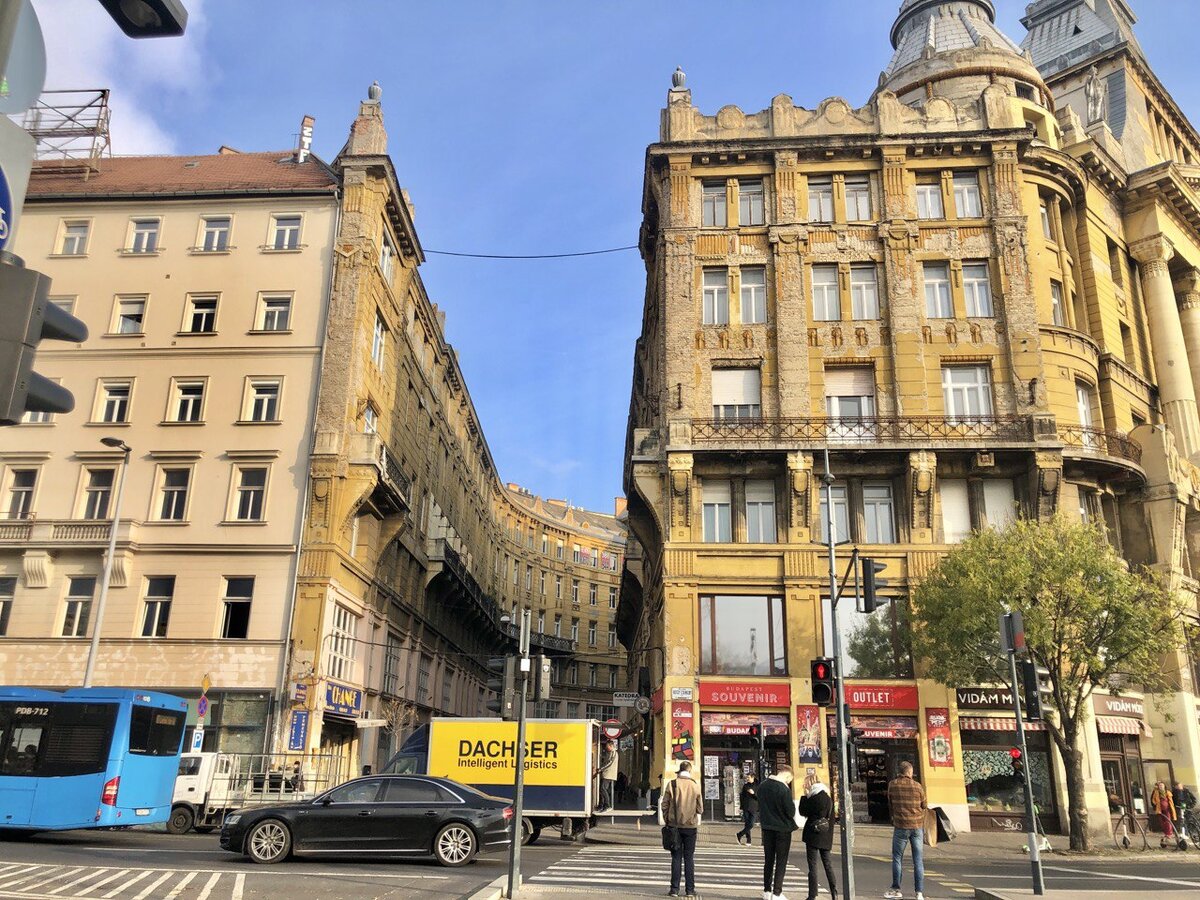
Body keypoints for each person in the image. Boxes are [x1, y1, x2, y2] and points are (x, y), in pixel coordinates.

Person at [885, 761, 927, 900]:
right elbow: (924, 805)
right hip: (917, 826)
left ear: (900, 771)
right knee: (918, 860)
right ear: (909, 772)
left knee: (897, 858)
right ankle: (919, 892)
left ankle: (896, 889)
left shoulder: (892, 785)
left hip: (901, 826)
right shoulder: (918, 786)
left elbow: (890, 803)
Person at [660, 761, 703, 899]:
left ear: (680, 770)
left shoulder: (672, 784)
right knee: (689, 858)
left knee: (676, 858)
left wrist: (668, 818)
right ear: (689, 771)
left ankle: (674, 889)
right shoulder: (695, 785)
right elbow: (700, 809)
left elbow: (664, 804)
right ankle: (690, 890)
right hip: (690, 826)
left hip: (674, 826)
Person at [757, 764, 798, 900]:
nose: (789, 782)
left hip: (767, 828)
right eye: (790, 780)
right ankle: (777, 892)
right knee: (781, 861)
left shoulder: (762, 786)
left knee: (768, 860)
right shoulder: (783, 789)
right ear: (787, 775)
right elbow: (790, 811)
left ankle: (767, 891)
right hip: (782, 829)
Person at [797, 777, 838, 900]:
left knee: (813, 866)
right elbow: (831, 819)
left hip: (813, 835)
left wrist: (804, 796)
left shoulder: (813, 798)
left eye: (806, 783)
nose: (805, 786)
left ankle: (812, 895)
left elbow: (802, 811)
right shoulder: (828, 798)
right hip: (826, 836)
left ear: (810, 783)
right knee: (828, 865)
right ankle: (834, 893)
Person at [1151, 780, 1177, 846]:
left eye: (1162, 785)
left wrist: (1171, 807)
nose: (1161, 786)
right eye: (1160, 785)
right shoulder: (1156, 792)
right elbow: (1153, 799)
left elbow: (1171, 801)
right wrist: (1156, 804)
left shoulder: (1168, 792)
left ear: (1164, 786)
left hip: (1167, 808)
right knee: (1161, 821)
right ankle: (1166, 832)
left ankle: (1169, 833)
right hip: (1159, 809)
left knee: (1168, 820)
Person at [737, 773, 759, 846]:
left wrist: (753, 793)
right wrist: (741, 807)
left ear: (752, 777)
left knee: (751, 824)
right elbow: (742, 796)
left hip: (754, 807)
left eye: (748, 777)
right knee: (747, 824)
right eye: (746, 777)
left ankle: (740, 834)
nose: (747, 779)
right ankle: (748, 840)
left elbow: (759, 797)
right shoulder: (745, 786)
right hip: (746, 807)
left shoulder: (757, 786)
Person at [598, 741, 618, 811]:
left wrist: (601, 769)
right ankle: (601, 805)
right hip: (606, 773)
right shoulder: (609, 753)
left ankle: (607, 805)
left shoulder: (614, 753)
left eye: (607, 746)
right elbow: (606, 762)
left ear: (611, 746)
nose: (606, 748)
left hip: (609, 774)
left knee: (603, 789)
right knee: (602, 789)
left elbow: (610, 763)